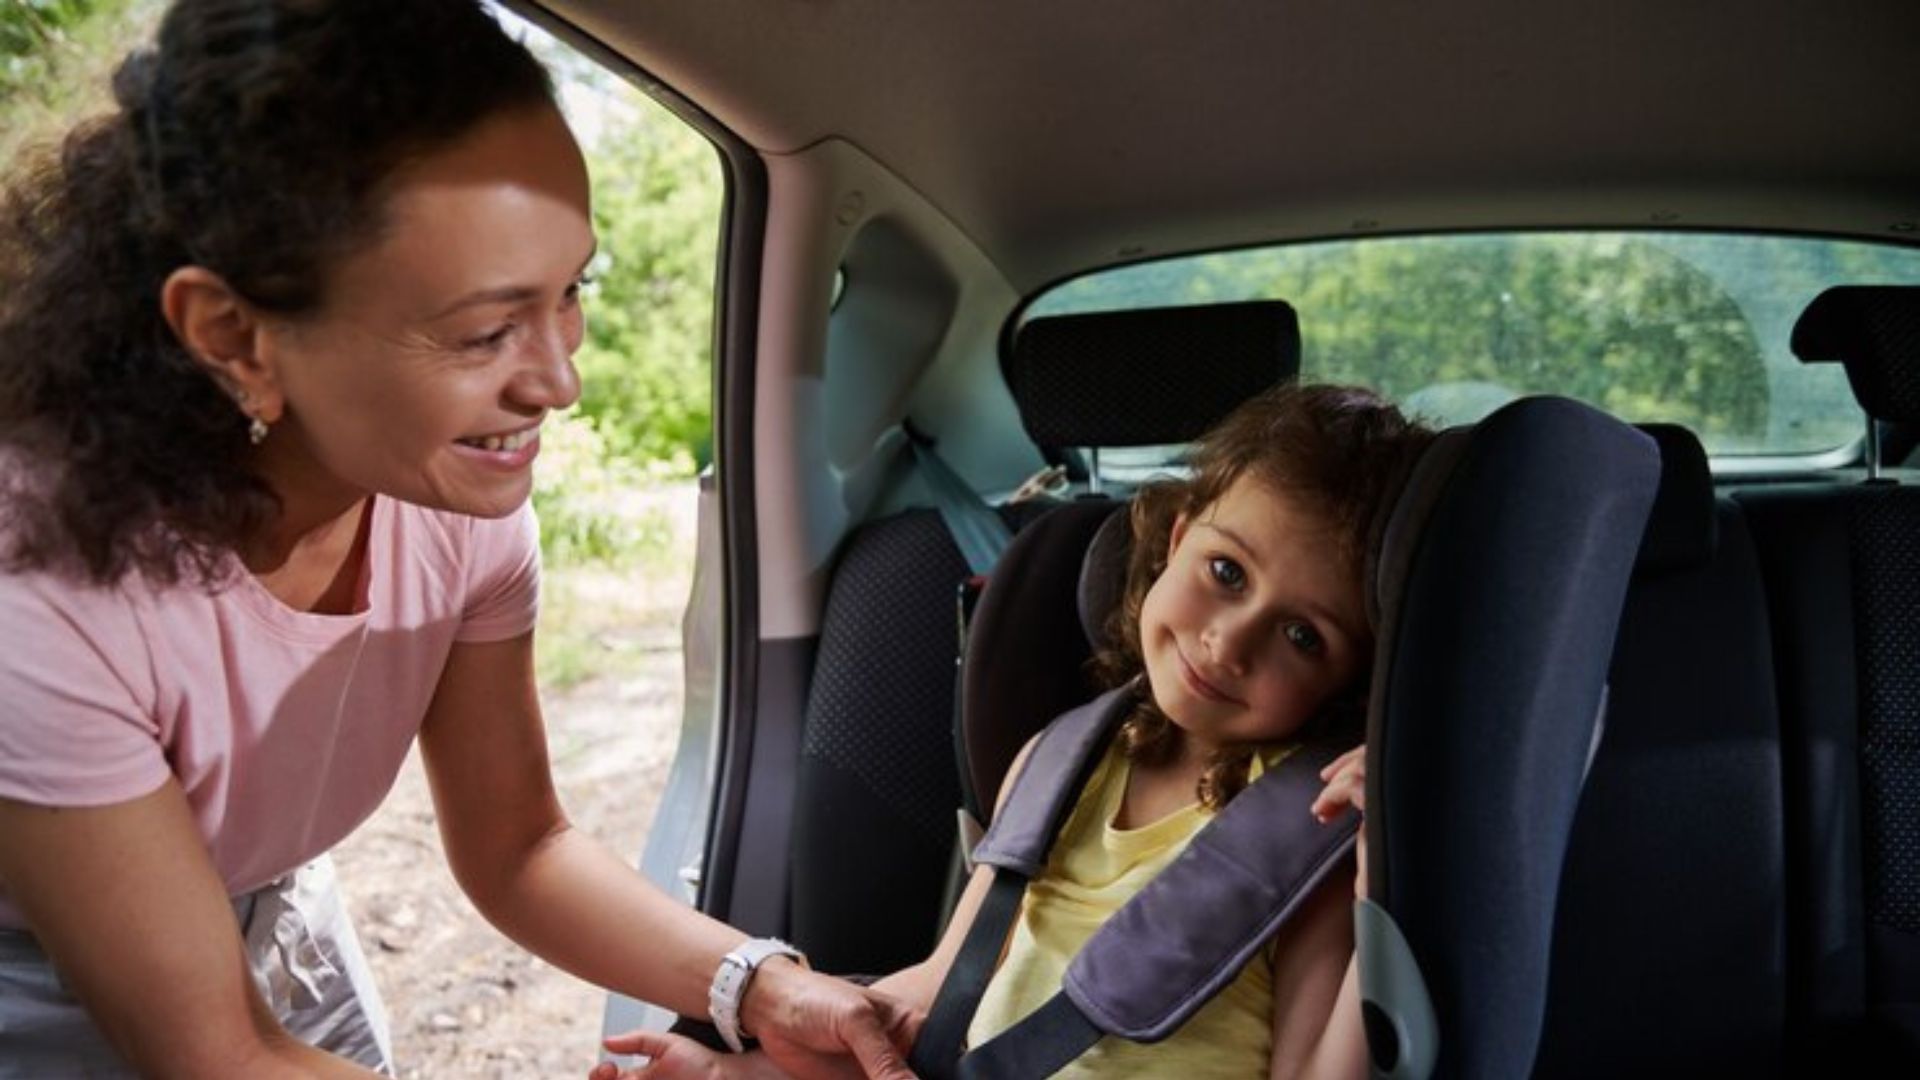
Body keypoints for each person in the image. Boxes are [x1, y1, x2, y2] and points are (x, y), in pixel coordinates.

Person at [0, 2, 917, 1076]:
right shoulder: (37, 594)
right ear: (236, 338)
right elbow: (220, 1051)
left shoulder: (457, 511)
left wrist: (763, 986)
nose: (561, 382)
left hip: (273, 939)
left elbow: (520, 845)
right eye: (486, 331)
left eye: (573, 291)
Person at [596, 384, 1435, 1079]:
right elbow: (936, 1000)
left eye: (1303, 637)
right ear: (1177, 539)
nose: (1230, 640)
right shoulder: (1057, 759)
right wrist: (740, 1072)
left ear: (1349, 677)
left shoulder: (1317, 831)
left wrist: (1379, 886)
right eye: (1225, 572)